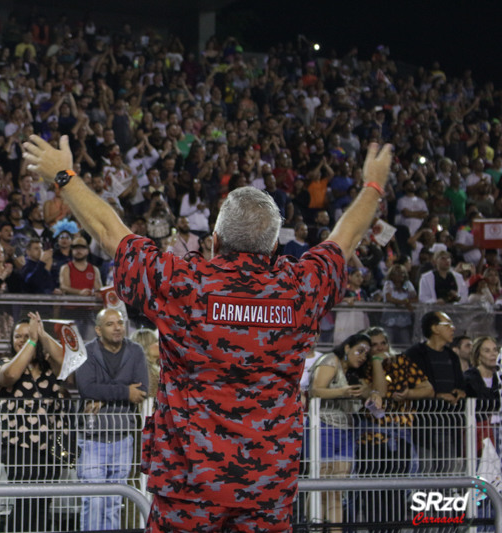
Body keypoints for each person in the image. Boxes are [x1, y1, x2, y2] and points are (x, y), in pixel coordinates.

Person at [22, 135, 392, 532]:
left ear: (214, 242)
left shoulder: (185, 285)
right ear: (273, 249)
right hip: (266, 489)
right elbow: (346, 239)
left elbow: (111, 233)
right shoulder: (301, 287)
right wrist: (373, 185)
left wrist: (63, 175)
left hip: (186, 491)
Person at [75, 309, 149, 531]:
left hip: (122, 439)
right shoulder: (86, 352)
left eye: (120, 322)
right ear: (98, 330)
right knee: (95, 501)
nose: (117, 327)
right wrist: (125, 392)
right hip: (92, 439)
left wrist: (104, 398)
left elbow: (142, 390)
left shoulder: (135, 351)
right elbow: (87, 389)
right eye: (110, 324)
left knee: (114, 503)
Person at [0, 313, 66, 532]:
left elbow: (66, 361)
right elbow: (12, 375)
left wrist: (42, 334)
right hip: (19, 446)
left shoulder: (49, 367)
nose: (22, 340)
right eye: (18, 336)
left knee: (43, 504)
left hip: (51, 446)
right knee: (25, 503)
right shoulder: (4, 363)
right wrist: (32, 341)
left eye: (27, 335)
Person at [308, 333, 379, 531]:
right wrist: (343, 392)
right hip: (323, 426)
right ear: (347, 348)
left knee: (337, 488)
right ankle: (313, 528)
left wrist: (374, 394)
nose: (363, 356)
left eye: (366, 353)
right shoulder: (331, 361)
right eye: (359, 350)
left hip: (346, 430)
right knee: (320, 487)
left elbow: (373, 399)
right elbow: (316, 391)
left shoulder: (355, 373)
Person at [406, 311, 466, 477]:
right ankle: (425, 503)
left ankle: (443, 502)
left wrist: (460, 392)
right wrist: (437, 396)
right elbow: (409, 386)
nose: (453, 329)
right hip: (423, 424)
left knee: (447, 471)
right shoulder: (415, 354)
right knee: (425, 471)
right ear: (434, 328)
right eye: (448, 325)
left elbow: (460, 383)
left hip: (448, 423)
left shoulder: (451, 356)